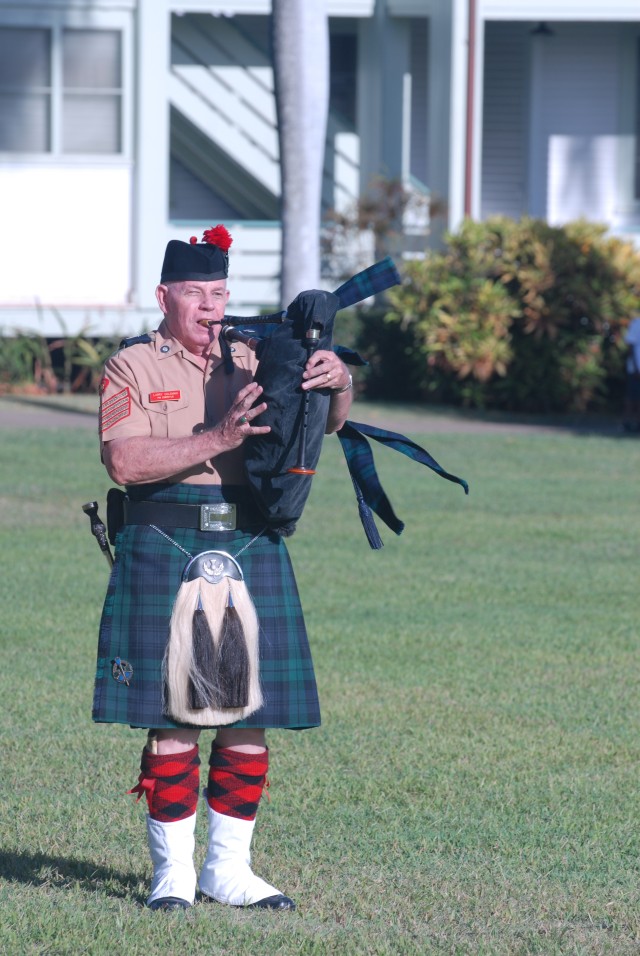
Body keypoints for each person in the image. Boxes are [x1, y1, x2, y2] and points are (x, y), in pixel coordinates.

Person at [92, 225, 353, 911]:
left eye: (221, 293)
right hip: (163, 544)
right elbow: (124, 462)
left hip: (250, 540)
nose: (212, 307)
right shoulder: (132, 367)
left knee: (247, 718)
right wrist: (217, 438)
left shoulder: (256, 353)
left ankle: (228, 871)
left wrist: (338, 383)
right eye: (197, 294)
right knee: (174, 718)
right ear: (164, 296)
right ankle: (173, 875)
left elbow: (322, 425)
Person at [623, 314, 640, 432]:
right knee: (632, 398)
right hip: (636, 369)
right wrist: (635, 367)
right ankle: (627, 423)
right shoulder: (636, 323)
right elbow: (630, 346)